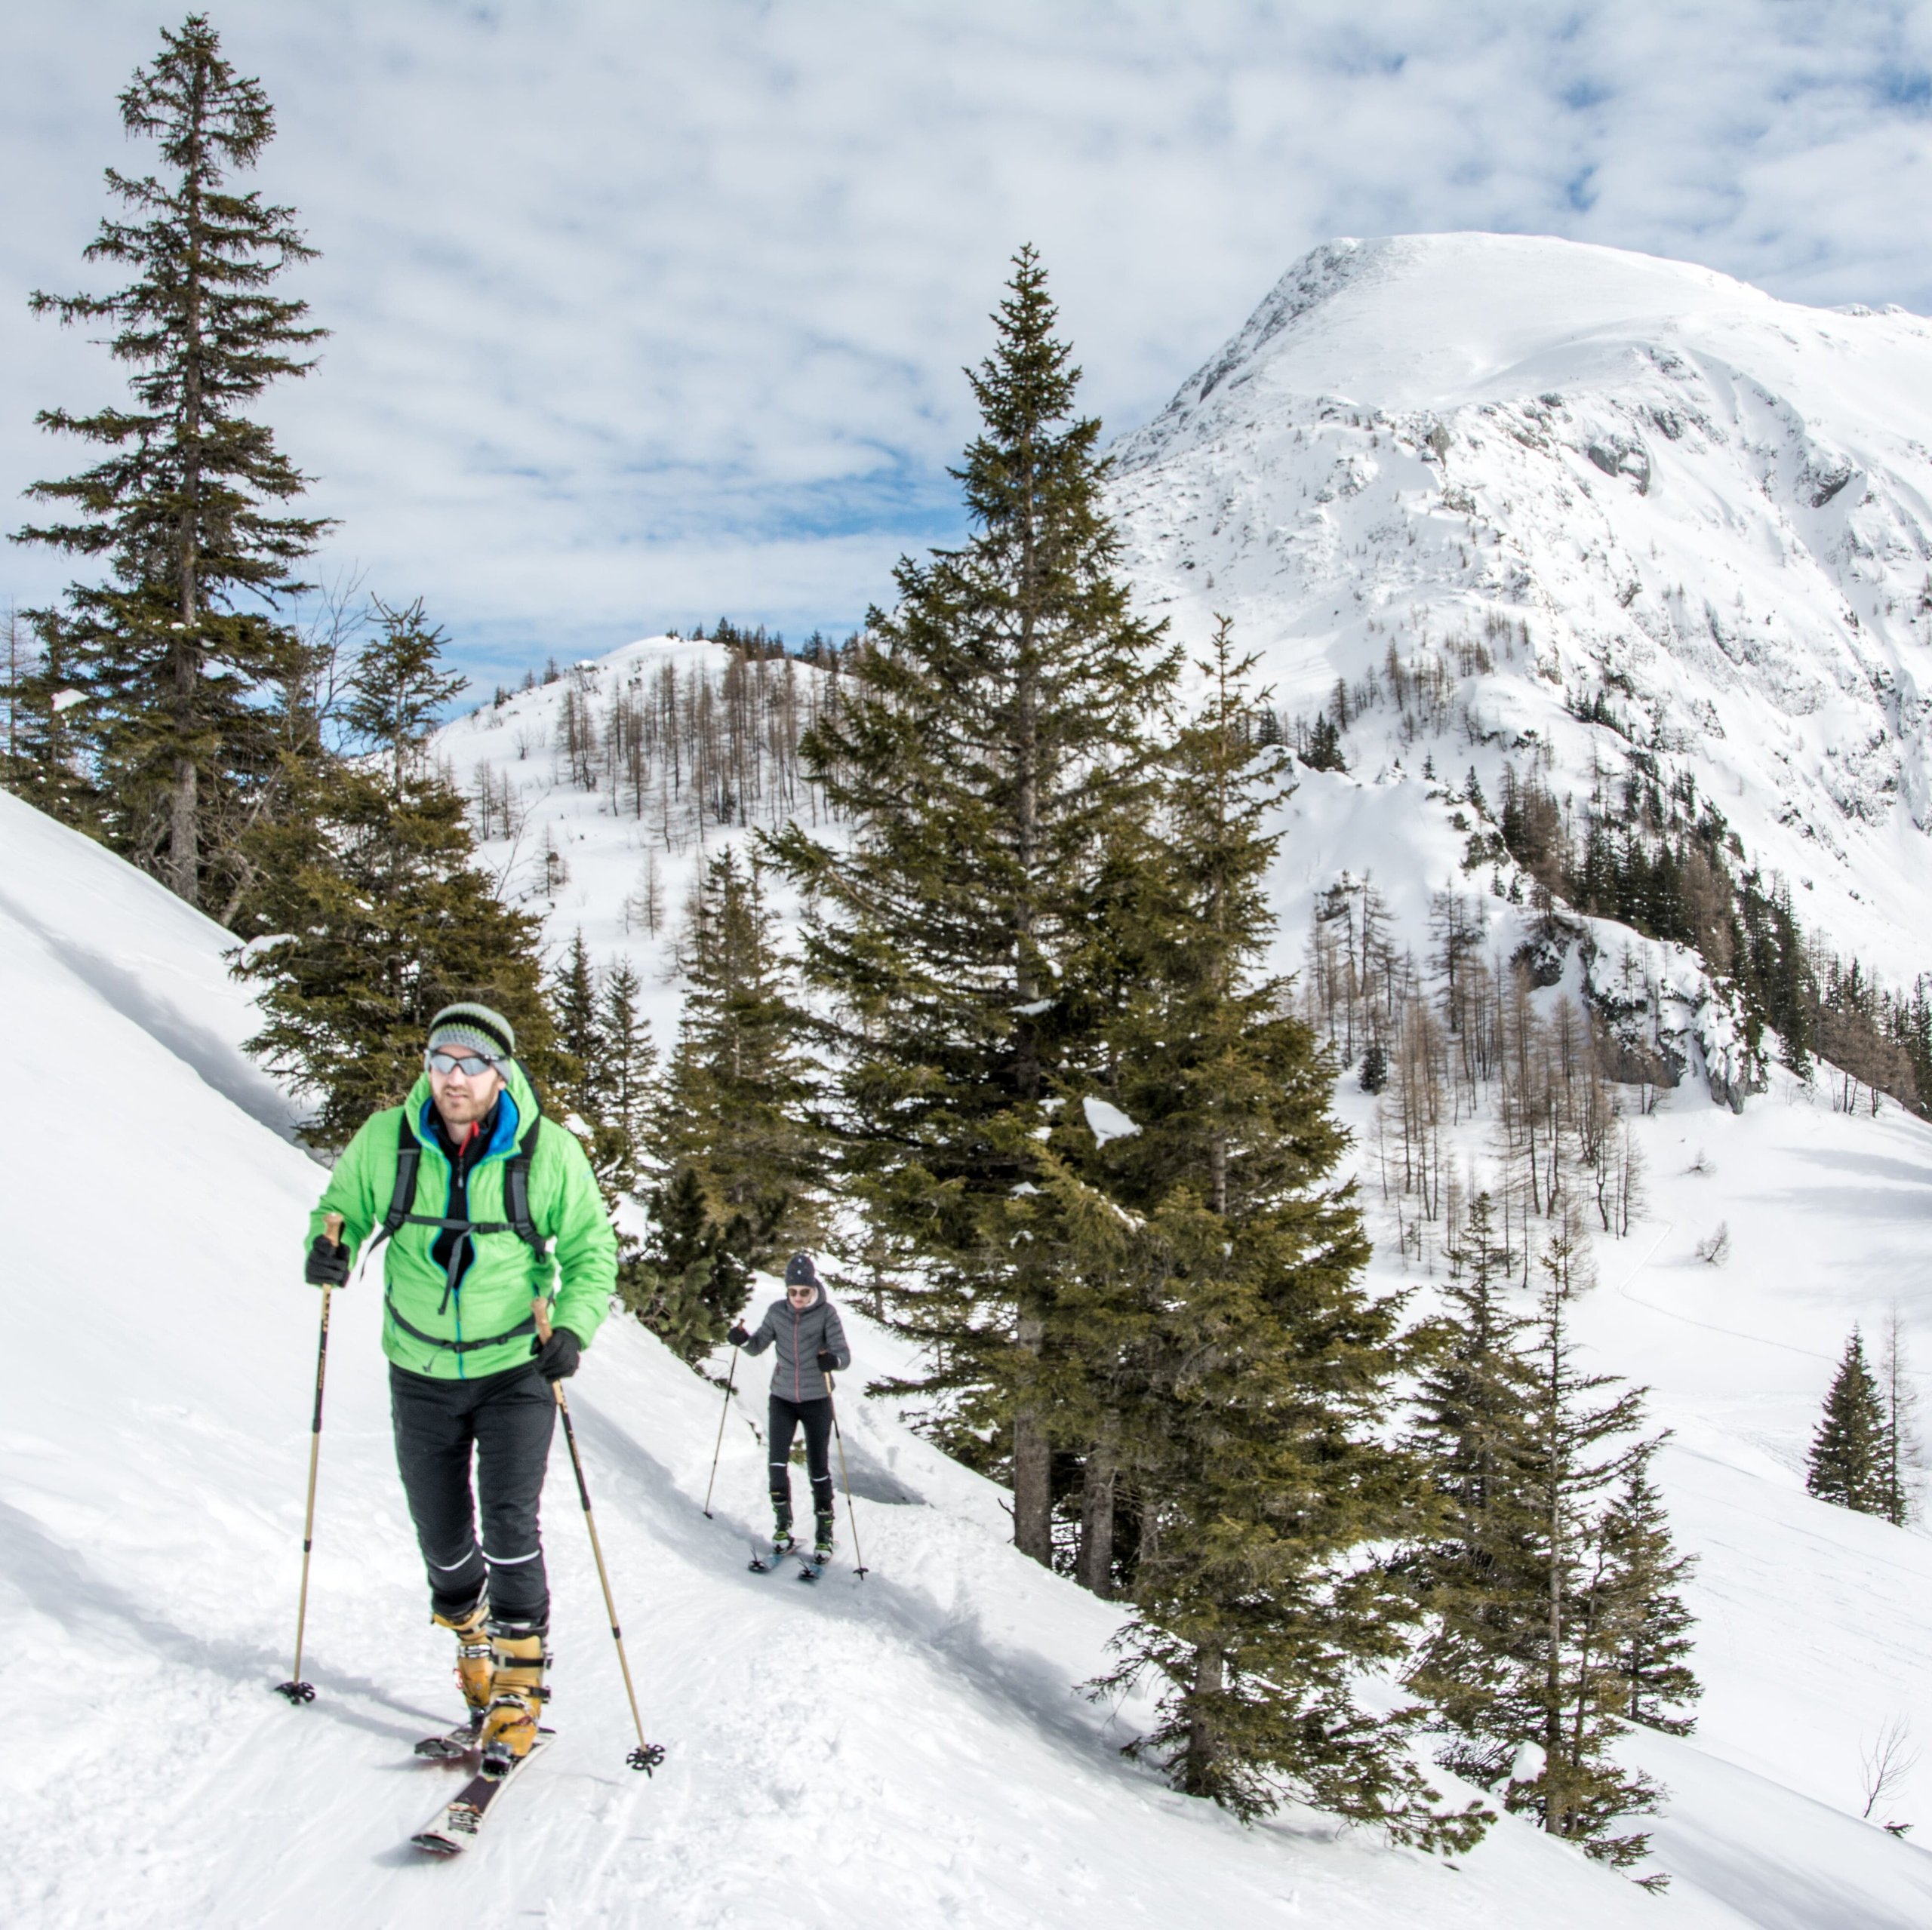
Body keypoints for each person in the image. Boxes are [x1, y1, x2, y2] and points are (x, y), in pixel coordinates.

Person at [303, 1002, 615, 1771]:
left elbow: (590, 1248)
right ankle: (472, 1644)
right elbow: (338, 1207)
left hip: (516, 1367)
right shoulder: (388, 1140)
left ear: (500, 1073)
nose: (452, 1077)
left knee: (510, 1524)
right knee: (442, 1537)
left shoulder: (549, 1154)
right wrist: (323, 1246)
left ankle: (519, 1685)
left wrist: (572, 1327)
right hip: (420, 1369)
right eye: (440, 1060)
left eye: (471, 1063)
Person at [729, 1254, 851, 1559]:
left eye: (804, 1292)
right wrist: (741, 1339)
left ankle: (824, 1532)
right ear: (787, 1290)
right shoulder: (776, 1312)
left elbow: (843, 1355)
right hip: (782, 1397)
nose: (798, 1297)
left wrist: (832, 1361)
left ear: (813, 1290)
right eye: (793, 1291)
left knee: (818, 1466)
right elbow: (757, 1347)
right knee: (777, 1462)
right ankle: (783, 1526)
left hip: (817, 1399)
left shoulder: (827, 1314)